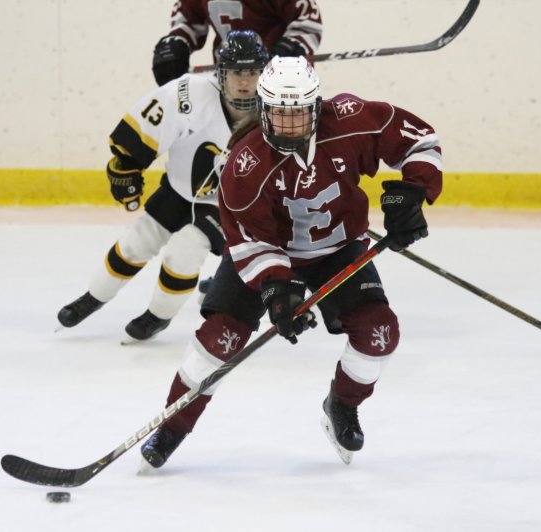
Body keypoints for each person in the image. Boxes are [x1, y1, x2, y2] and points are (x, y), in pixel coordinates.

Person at [140, 56, 443, 466]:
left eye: (300, 115)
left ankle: (342, 406)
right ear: (263, 110)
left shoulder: (351, 119)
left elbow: (418, 139)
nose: (290, 127)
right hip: (265, 256)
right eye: (280, 116)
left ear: (317, 107)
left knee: (380, 333)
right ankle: (172, 427)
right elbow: (248, 240)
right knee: (219, 339)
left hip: (336, 252)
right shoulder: (244, 165)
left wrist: (412, 192)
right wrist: (277, 290)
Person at [56, 31, 270, 342]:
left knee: (184, 251)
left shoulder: (280, 111)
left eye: (252, 72)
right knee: (136, 242)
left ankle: (158, 316)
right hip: (178, 189)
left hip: (228, 207)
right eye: (237, 72)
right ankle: (92, 298)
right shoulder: (190, 95)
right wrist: (125, 166)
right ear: (220, 73)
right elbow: (146, 126)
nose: (244, 82)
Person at [152, 0, 323, 86]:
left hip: (282, 85)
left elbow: (307, 22)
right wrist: (177, 44)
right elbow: (189, 19)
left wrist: (289, 49)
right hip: (229, 82)